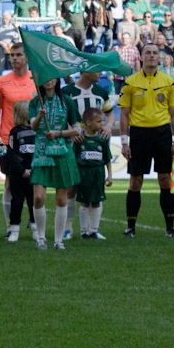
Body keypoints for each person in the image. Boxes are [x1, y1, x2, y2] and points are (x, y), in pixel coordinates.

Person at [118, 43, 174, 238]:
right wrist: (124, 142)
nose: (152, 56)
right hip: (138, 135)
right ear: (141, 57)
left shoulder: (169, 81)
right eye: (148, 53)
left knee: (165, 180)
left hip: (162, 134)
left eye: (155, 53)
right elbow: (124, 114)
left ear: (159, 57)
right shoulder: (130, 82)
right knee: (135, 181)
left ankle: (170, 228)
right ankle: (130, 228)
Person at [61, 70, 115, 239]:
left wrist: (107, 126)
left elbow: (110, 113)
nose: (101, 73)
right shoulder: (67, 92)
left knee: (92, 186)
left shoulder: (100, 92)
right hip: (72, 145)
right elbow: (62, 116)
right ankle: (67, 228)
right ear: (85, 72)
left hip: (93, 144)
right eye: (97, 70)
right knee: (71, 188)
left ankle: (92, 229)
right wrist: (72, 131)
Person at [28, 78, 81, 250]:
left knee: (61, 198)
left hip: (62, 152)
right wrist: (39, 116)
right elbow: (33, 127)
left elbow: (77, 129)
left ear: (57, 79)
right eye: (45, 77)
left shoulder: (67, 100)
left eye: (52, 77)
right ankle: (41, 237)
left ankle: (59, 240)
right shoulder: (35, 101)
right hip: (41, 151)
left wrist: (59, 133)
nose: (48, 81)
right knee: (38, 197)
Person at [0, 43, 38, 229]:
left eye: (19, 55)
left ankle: (34, 221)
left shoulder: (36, 80)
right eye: (12, 55)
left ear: (27, 58)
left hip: (34, 139)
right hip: (8, 140)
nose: (14, 58)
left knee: (35, 181)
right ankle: (10, 223)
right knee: (10, 182)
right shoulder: (2, 82)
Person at [73, 108, 113, 240]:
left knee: (96, 201)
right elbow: (74, 159)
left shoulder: (102, 140)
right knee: (84, 202)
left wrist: (110, 175)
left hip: (98, 174)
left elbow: (107, 159)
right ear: (89, 122)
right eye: (99, 121)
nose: (102, 124)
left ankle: (93, 231)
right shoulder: (80, 140)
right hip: (84, 174)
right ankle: (84, 231)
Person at [6, 100, 38, 242]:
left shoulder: (38, 131)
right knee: (17, 201)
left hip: (35, 171)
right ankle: (14, 229)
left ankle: (35, 226)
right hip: (19, 173)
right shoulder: (15, 132)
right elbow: (12, 153)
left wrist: (34, 168)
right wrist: (22, 170)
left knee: (34, 201)